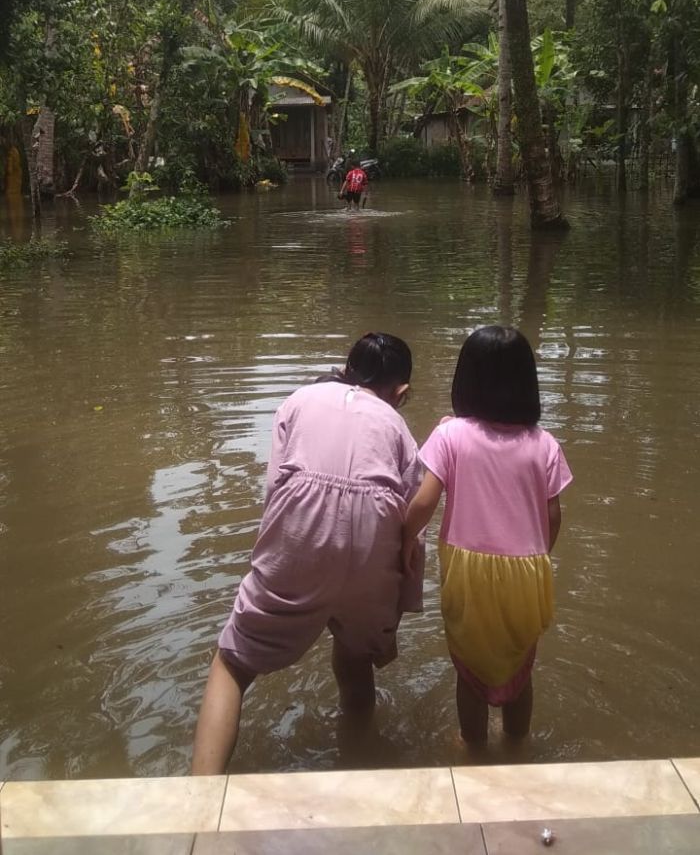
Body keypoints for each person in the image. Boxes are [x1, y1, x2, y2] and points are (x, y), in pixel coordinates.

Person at [191, 332, 423, 774]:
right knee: (356, 658)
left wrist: (274, 564)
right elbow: (413, 525)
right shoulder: (396, 426)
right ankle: (355, 769)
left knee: (233, 661)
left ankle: (200, 799)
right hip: (376, 541)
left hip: (301, 533)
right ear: (401, 392)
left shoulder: (300, 399)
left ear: (345, 368)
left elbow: (276, 491)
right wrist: (399, 604)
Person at [403, 325, 572, 745]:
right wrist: (535, 555)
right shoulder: (544, 443)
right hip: (528, 570)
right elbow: (553, 516)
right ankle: (518, 740)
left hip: (468, 572)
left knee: (469, 670)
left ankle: (472, 744)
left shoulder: (450, 435)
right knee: (520, 666)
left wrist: (403, 540)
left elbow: (423, 502)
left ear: (466, 380)